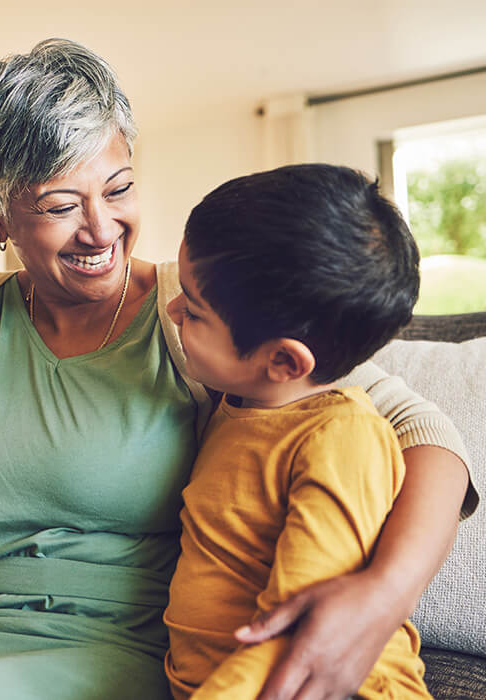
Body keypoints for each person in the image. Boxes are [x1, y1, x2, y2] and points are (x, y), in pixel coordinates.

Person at [0, 39, 476, 700]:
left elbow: (420, 431)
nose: (101, 229)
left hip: (106, 654)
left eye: (120, 187)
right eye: (61, 204)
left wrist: (381, 597)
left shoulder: (202, 317)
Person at [164, 164, 433, 699]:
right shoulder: (239, 406)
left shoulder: (342, 439)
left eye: (193, 312)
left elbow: (294, 633)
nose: (170, 310)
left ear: (284, 361)